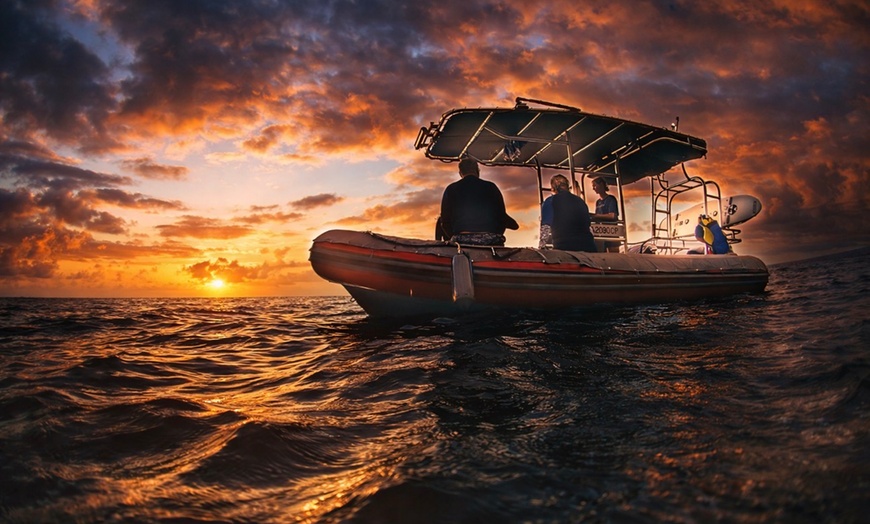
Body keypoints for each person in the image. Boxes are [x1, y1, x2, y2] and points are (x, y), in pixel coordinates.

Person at [437, 158, 518, 245]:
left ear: (460, 173)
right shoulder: (491, 187)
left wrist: (455, 238)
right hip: (490, 239)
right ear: (478, 171)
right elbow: (502, 218)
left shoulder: (451, 189)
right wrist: (495, 235)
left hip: (461, 239)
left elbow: (444, 222)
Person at [540, 174, 596, 252]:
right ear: (567, 186)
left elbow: (545, 226)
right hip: (588, 246)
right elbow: (589, 227)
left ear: (553, 189)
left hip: (564, 246)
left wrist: (541, 246)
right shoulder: (580, 201)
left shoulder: (550, 201)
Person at [590, 176, 620, 252]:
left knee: (614, 254)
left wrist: (596, 216)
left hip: (611, 231)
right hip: (601, 232)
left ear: (602, 185)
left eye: (595, 185)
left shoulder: (610, 199)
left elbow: (613, 216)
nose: (593, 188)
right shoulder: (598, 202)